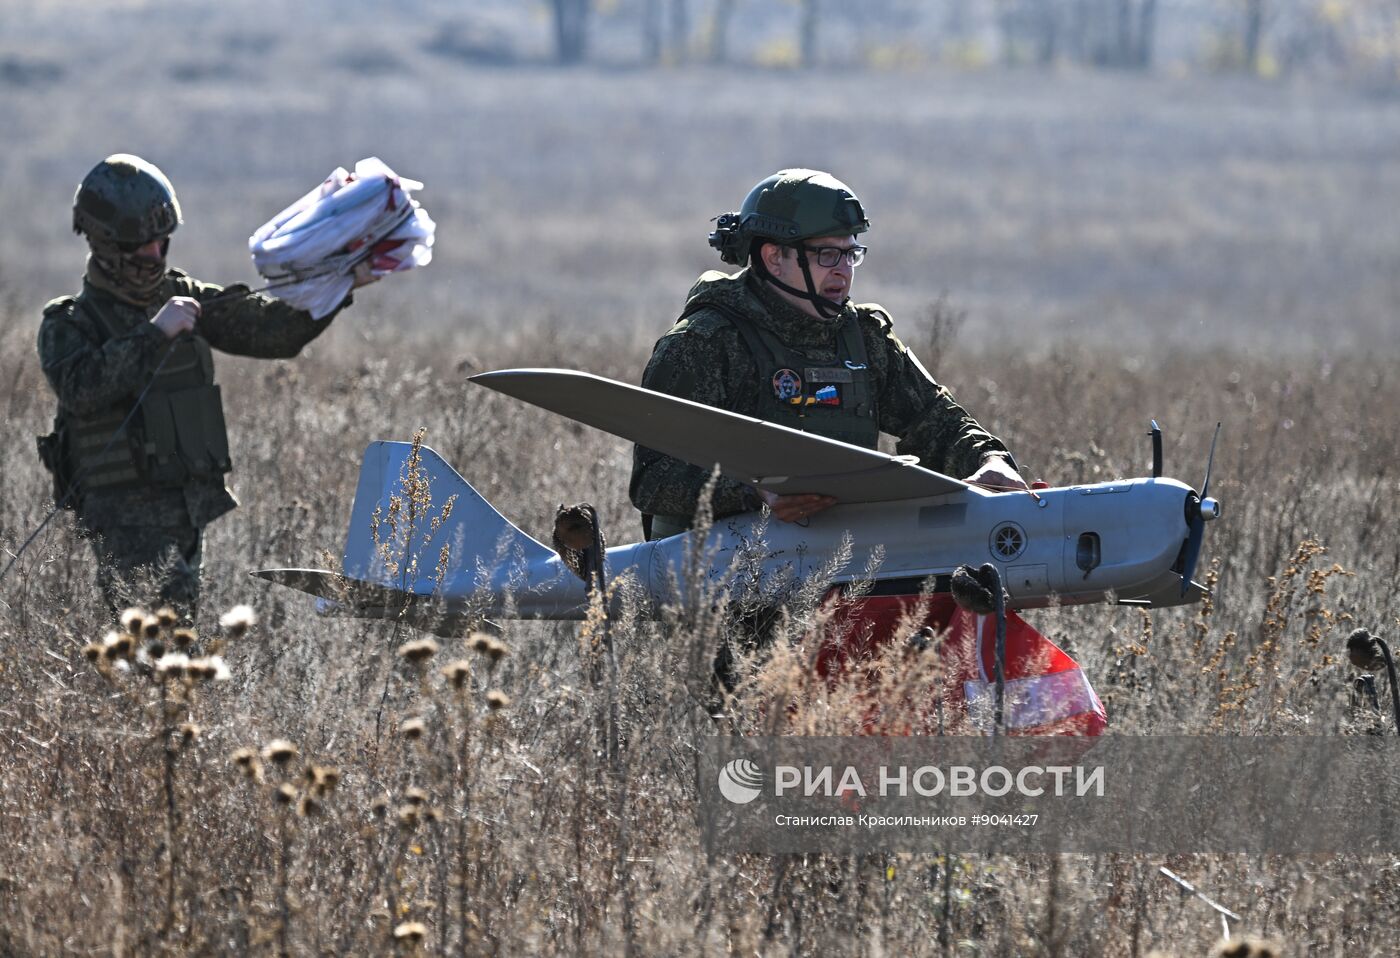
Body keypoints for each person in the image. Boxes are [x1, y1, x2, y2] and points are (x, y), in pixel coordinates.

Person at [36, 153, 377, 618]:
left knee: (172, 647)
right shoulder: (70, 323)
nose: (156, 255)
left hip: (187, 508)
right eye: (143, 246)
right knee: (157, 648)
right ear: (106, 244)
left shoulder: (183, 296)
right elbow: (81, 388)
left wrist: (340, 283)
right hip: (124, 517)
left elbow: (270, 333)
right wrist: (155, 333)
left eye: (162, 243)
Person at [630, 168, 1027, 541]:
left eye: (851, 254)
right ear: (773, 258)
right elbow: (655, 480)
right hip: (721, 587)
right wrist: (754, 494)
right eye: (826, 255)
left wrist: (988, 460)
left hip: (842, 577)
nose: (843, 271)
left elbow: (937, 421)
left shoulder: (866, 339)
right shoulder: (702, 344)